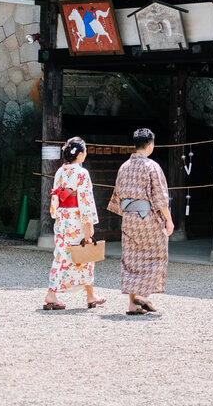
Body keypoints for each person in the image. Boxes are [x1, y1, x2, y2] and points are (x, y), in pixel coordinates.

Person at [107, 128, 173, 316]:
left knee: (131, 259)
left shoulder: (124, 167)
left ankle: (133, 304)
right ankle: (142, 297)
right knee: (157, 254)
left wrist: (128, 214)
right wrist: (168, 220)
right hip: (147, 218)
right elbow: (160, 198)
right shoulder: (152, 166)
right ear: (150, 145)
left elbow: (117, 195)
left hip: (128, 218)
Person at [43, 136, 104, 310]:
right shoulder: (82, 173)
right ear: (80, 154)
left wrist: (56, 214)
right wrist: (88, 224)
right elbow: (85, 200)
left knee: (61, 255)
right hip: (76, 218)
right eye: (85, 151)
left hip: (62, 218)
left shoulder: (60, 171)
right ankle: (90, 296)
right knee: (85, 254)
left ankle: (52, 293)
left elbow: (55, 196)